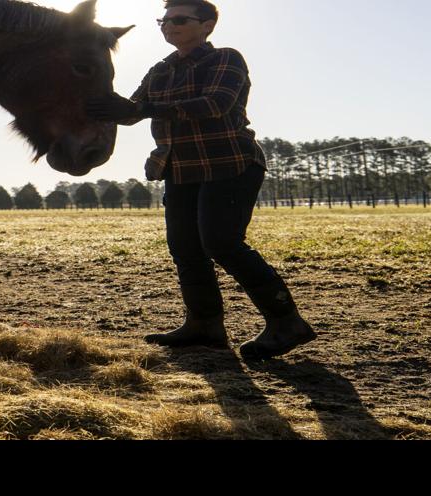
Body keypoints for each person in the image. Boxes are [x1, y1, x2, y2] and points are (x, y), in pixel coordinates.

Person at [86, 1, 315, 359]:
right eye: (164, 20)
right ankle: (204, 327)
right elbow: (131, 110)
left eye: (179, 20)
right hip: (181, 169)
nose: (169, 26)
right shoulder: (160, 70)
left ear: (207, 25)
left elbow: (215, 104)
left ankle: (288, 322)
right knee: (185, 248)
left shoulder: (225, 59)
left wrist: (145, 109)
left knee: (222, 243)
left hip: (229, 163)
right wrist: (89, 100)